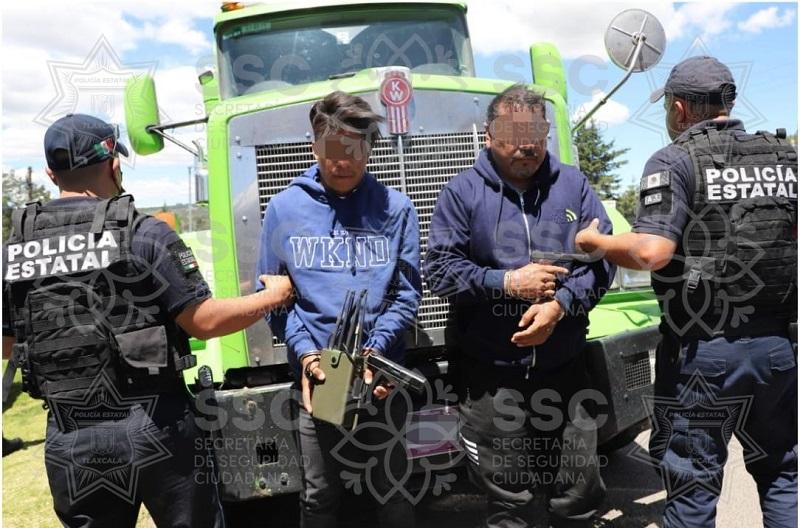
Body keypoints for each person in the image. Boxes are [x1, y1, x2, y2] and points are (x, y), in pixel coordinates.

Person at [2, 113, 294, 527]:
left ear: (51, 173)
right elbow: (204, 321)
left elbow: (8, 344)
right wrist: (272, 296)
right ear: (114, 163)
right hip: (156, 423)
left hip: (71, 432)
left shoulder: (17, 250)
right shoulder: (144, 234)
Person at [575, 56, 798, 527]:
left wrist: (597, 242)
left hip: (705, 353)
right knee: (782, 474)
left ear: (678, 108)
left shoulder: (675, 160)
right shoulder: (786, 159)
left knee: (693, 486)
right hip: (780, 348)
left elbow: (652, 251)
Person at [424, 84, 615, 528]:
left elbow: (602, 261)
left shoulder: (573, 186)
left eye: (537, 131)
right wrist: (507, 281)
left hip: (566, 374)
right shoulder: (463, 193)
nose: (527, 144)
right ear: (488, 135)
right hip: (492, 381)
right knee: (511, 503)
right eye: (514, 133)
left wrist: (561, 305)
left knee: (578, 496)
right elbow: (439, 271)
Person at [255, 91, 422, 528]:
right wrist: (309, 357)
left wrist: (374, 354)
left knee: (394, 492)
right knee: (319, 496)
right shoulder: (285, 208)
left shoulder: (397, 209)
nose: (342, 164)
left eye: (353, 152)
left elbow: (406, 294)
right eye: (331, 153)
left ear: (368, 148)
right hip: (319, 380)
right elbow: (273, 297)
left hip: (381, 376)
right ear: (314, 147)